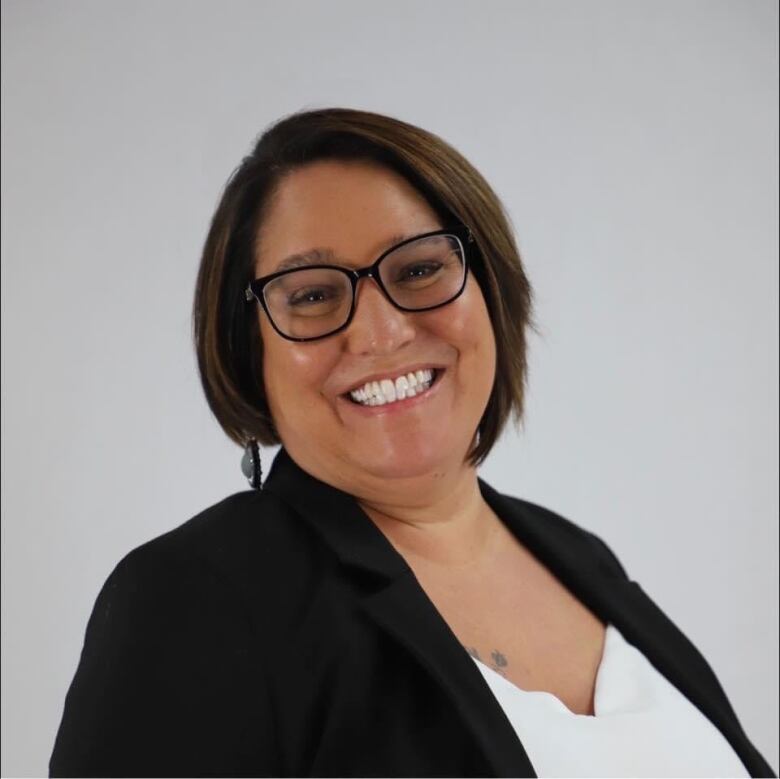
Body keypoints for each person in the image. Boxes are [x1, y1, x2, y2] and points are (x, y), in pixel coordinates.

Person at [49, 107, 775, 778]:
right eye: (312, 293)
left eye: (420, 269)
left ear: (488, 289)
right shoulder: (196, 599)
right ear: (248, 350)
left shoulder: (579, 556)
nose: (380, 331)